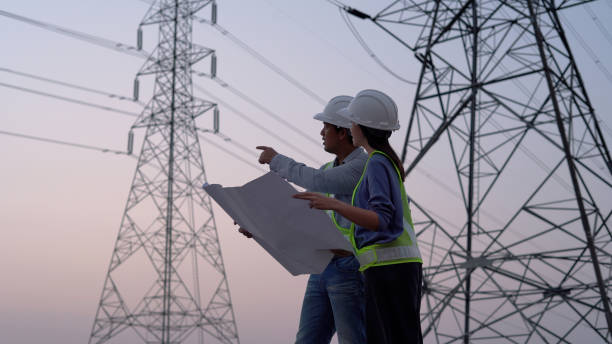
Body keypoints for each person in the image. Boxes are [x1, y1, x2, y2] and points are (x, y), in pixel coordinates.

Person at [294, 89, 423, 344]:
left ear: (357, 127)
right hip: (378, 266)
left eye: (351, 122)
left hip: (382, 267)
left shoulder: (373, 164)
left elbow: (384, 220)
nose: (322, 132)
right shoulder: (380, 161)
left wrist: (336, 205)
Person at [240, 95, 368, 344]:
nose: (322, 133)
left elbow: (314, 182)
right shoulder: (329, 170)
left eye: (326, 127)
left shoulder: (362, 166)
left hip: (350, 266)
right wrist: (257, 227)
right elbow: (299, 216)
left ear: (342, 133)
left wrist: (277, 160)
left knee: (353, 340)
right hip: (323, 267)